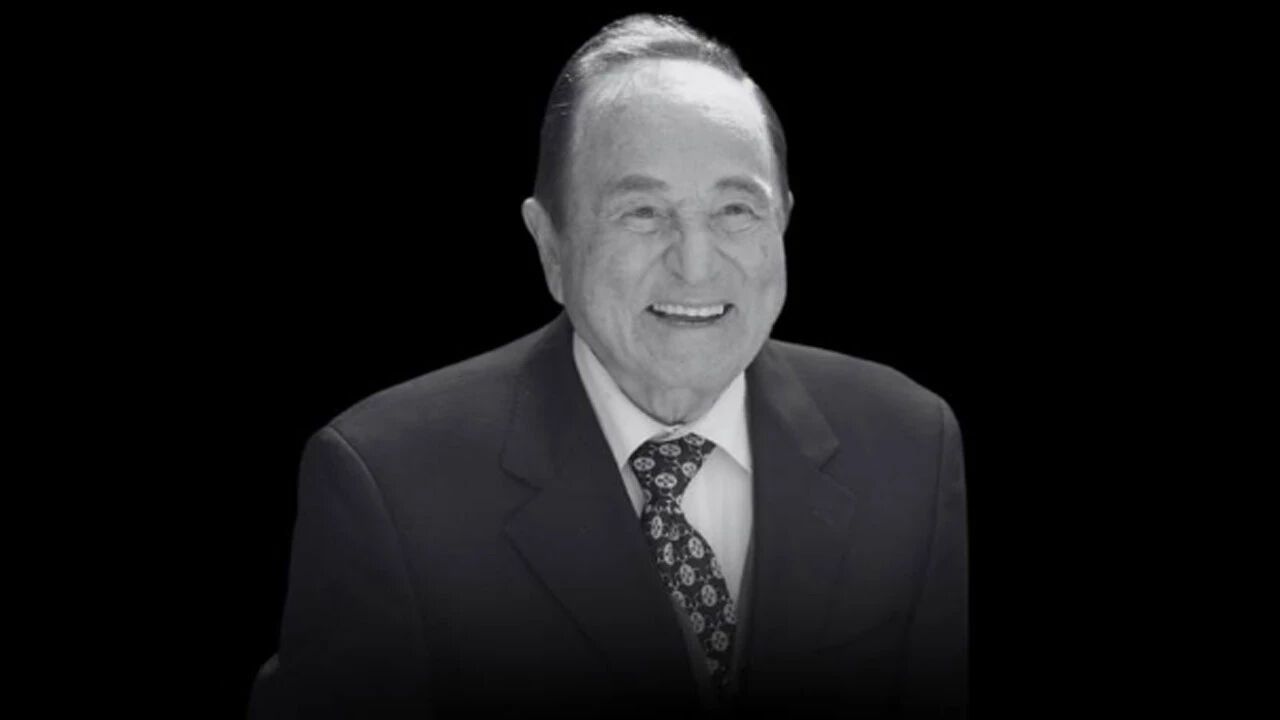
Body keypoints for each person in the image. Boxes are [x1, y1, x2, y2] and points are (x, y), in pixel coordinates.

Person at [249, 13, 967, 719]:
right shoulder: (387, 483)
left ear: (781, 220)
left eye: (735, 210)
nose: (695, 264)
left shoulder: (909, 444)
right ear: (550, 246)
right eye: (643, 212)